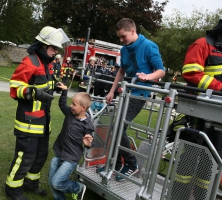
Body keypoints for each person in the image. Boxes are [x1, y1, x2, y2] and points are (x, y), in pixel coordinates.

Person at [5, 26, 70, 200]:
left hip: (43, 122)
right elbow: (14, 88)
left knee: (40, 156)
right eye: (53, 48)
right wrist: (33, 93)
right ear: (43, 46)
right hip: (28, 122)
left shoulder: (47, 64)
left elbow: (44, 84)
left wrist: (55, 86)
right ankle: (13, 189)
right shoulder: (30, 62)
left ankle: (30, 184)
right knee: (25, 156)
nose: (56, 52)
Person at [105, 18, 165, 181]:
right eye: (119, 37)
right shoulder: (124, 49)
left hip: (140, 94)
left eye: (123, 36)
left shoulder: (148, 46)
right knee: (115, 128)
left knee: (119, 129)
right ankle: (117, 164)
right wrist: (112, 91)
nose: (121, 40)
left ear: (133, 31)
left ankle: (131, 164)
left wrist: (148, 77)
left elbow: (161, 71)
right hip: (127, 92)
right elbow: (121, 71)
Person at [182, 15, 222, 158]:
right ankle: (182, 181)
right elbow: (191, 72)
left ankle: (205, 181)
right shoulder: (203, 44)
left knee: (215, 155)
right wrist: (221, 88)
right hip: (201, 110)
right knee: (193, 151)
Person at [49, 82, 94, 200]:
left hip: (71, 157)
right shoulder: (70, 113)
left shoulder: (87, 124)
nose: (71, 106)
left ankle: (78, 188)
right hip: (59, 152)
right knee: (52, 182)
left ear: (83, 108)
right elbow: (62, 104)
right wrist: (64, 91)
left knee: (56, 183)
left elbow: (90, 142)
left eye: (74, 104)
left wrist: (88, 144)